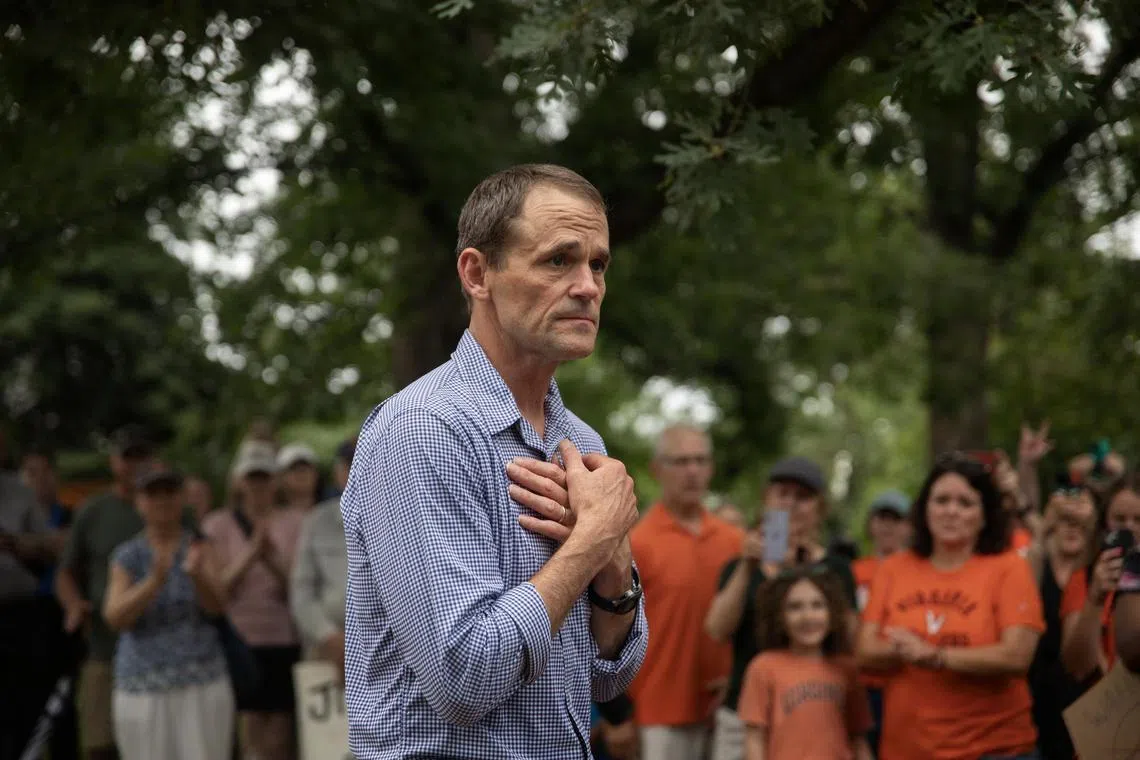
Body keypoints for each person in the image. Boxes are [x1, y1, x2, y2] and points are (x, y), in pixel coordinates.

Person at [341, 164, 648, 759]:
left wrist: (615, 568)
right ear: (478, 273)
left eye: (598, 264)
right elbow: (463, 677)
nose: (587, 285)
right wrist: (594, 540)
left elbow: (608, 676)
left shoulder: (581, 440)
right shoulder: (423, 432)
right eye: (559, 260)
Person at [857, 453, 1044, 760]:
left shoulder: (1009, 567)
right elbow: (865, 651)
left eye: (965, 503)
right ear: (924, 509)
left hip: (995, 749)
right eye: (941, 500)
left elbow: (1017, 655)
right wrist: (915, 650)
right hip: (909, 750)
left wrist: (936, 655)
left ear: (985, 515)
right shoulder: (893, 568)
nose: (951, 512)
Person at [705, 456, 857, 760]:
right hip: (743, 713)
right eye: (782, 494)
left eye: (803, 497)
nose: (791, 504)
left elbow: (850, 640)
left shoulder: (835, 569)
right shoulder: (740, 566)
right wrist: (749, 566)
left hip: (814, 710)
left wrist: (800, 573)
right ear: (766, 500)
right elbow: (716, 630)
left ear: (820, 508)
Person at [625, 425, 743, 760]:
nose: (692, 471)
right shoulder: (636, 542)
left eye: (700, 460)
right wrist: (618, 714)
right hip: (658, 712)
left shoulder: (734, 541)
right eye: (680, 462)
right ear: (656, 469)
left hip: (725, 712)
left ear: (711, 468)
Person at [103, 467, 233, 760]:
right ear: (139, 502)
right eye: (153, 494)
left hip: (201, 678)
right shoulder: (128, 555)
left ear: (182, 499)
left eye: (170, 493)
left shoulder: (201, 547)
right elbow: (114, 617)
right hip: (142, 684)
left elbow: (219, 607)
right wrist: (153, 583)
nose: (162, 501)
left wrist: (197, 575)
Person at [56, 425, 158, 760]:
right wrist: (74, 605)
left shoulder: (173, 510)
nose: (136, 466)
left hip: (160, 654)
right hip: (105, 648)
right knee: (100, 747)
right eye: (129, 458)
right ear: (115, 463)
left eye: (143, 458)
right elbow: (66, 573)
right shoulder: (93, 510)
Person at [204, 441, 304, 760]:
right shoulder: (217, 525)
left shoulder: (296, 522)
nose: (258, 486)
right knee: (248, 730)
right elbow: (216, 588)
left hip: (282, 637)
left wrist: (271, 559)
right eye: (252, 478)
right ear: (239, 481)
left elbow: (298, 587)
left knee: (281, 730)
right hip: (239, 640)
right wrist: (251, 554)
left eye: (264, 478)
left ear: (275, 481)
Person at [737, 566, 872, 760]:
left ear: (832, 613)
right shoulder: (763, 667)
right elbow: (755, 737)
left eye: (817, 605)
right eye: (795, 607)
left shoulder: (846, 668)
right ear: (779, 616)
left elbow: (858, 739)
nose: (807, 616)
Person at [1025, 481, 1096, 760]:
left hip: (1085, 688)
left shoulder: (1096, 570)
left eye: (1079, 524)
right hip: (1040, 688)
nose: (1071, 529)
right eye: (1065, 522)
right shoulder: (1039, 560)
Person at [1060, 471, 1140, 683]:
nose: (1130, 527)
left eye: (1139, 519)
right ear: (1105, 525)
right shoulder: (1087, 577)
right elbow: (1077, 665)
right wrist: (1095, 598)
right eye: (1120, 519)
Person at [850, 489, 910, 756]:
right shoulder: (855, 571)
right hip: (861, 682)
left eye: (896, 519)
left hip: (905, 680)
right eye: (881, 518)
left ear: (909, 527)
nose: (887, 526)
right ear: (871, 524)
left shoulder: (920, 571)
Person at [291, 438, 355, 675]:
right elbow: (301, 592)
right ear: (338, 473)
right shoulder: (316, 522)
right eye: (349, 465)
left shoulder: (401, 519)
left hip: (386, 650)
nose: (357, 470)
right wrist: (329, 636)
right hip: (326, 649)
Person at [276, 443, 323, 513]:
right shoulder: (270, 516)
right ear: (281, 477)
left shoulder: (335, 508)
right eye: (294, 468)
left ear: (316, 474)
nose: (301, 473)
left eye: (305, 468)